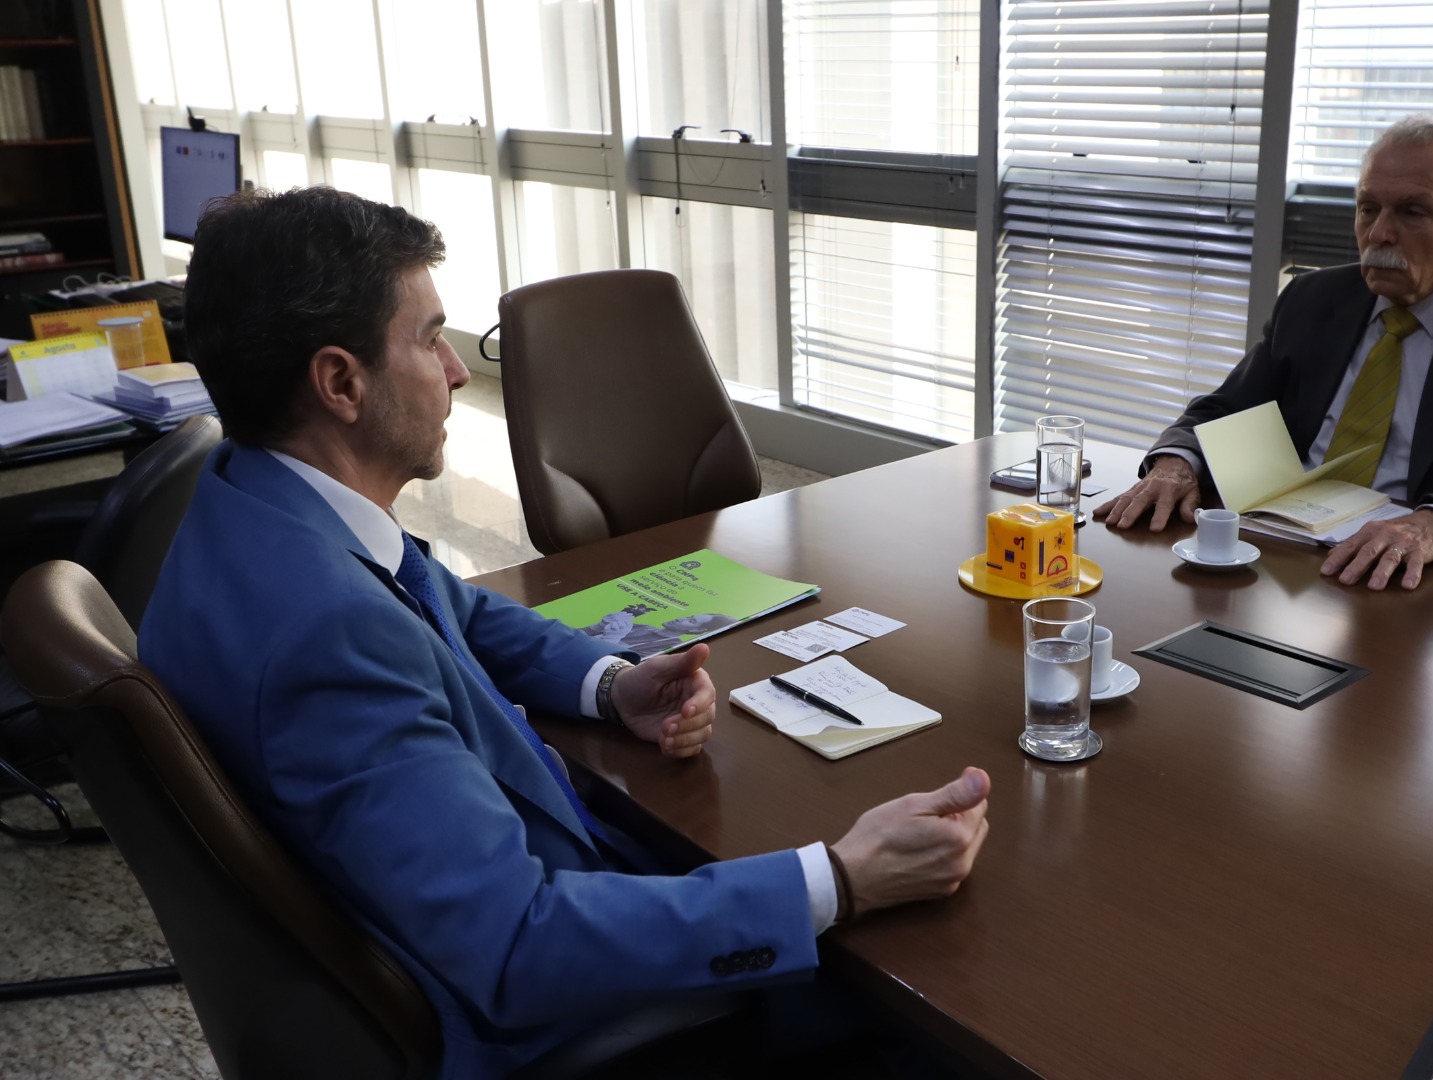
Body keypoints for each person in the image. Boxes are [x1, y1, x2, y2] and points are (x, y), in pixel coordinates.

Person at [138, 187, 991, 1080]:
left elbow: (450, 606)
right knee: (947, 1000)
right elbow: (518, 947)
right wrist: (839, 879)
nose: (457, 372)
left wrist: (610, 683)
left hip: (454, 912)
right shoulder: (328, 636)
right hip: (546, 1019)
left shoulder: (252, 503)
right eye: (431, 339)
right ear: (341, 383)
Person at [1095, 112, 1433, 590]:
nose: (1379, 234)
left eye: (1413, 211)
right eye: (1367, 208)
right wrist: (1177, 463)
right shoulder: (1312, 299)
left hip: (1409, 580)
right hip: (1280, 559)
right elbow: (1226, 409)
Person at [583, 610, 739, 658]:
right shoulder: (644, 627)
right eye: (690, 616)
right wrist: (597, 626)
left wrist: (612, 638)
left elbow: (622, 667)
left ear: (696, 631)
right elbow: (574, 637)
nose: (681, 618)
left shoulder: (672, 647)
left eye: (691, 621)